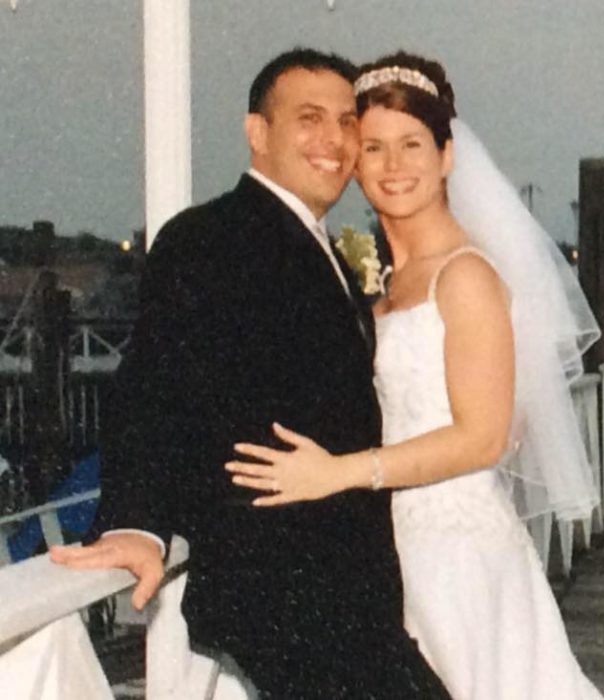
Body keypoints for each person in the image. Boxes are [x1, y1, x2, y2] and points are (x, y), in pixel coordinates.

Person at [50, 48, 450, 700]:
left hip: (349, 594)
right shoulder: (211, 238)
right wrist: (136, 523)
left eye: (347, 122)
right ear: (257, 133)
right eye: (309, 118)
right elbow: (154, 389)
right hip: (283, 592)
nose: (334, 140)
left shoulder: (324, 252)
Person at [227, 52, 604, 699]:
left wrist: (340, 471)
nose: (393, 166)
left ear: (447, 155)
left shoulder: (467, 276)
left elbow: (484, 437)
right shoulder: (379, 287)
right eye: (373, 147)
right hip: (385, 557)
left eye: (412, 145)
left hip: (456, 557)